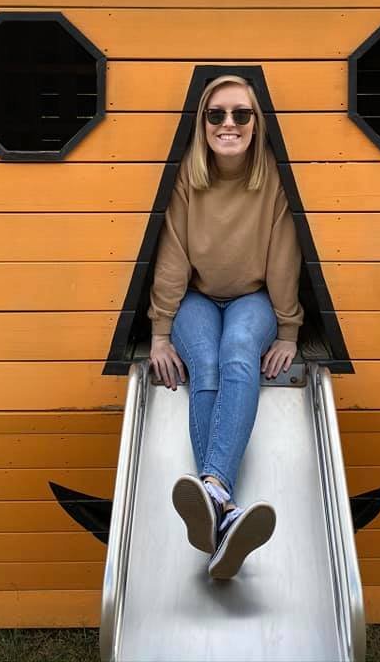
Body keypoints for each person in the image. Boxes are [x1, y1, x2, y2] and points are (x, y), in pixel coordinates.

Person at [147, 74, 304, 579]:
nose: (228, 124)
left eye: (241, 113)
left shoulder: (274, 179)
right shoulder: (187, 180)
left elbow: (283, 258)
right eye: (216, 115)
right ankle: (221, 502)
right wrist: (160, 331)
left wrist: (288, 330)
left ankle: (213, 492)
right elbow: (172, 256)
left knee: (237, 351)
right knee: (206, 362)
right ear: (202, 124)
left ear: (257, 123)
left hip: (253, 297)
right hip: (197, 296)